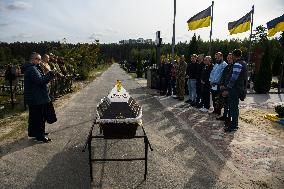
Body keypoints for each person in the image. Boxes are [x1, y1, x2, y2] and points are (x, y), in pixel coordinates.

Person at [22, 52, 55, 142]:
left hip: (35, 97)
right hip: (37, 98)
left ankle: (34, 133)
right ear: (34, 59)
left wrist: (46, 75)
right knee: (39, 118)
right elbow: (40, 81)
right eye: (39, 59)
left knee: (34, 117)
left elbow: (39, 79)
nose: (40, 61)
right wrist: (50, 74)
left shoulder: (32, 68)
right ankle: (40, 136)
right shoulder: (32, 69)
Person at [222, 49, 247, 132]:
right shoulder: (242, 63)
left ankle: (233, 125)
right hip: (236, 89)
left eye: (232, 55)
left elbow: (234, 78)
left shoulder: (238, 64)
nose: (231, 56)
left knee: (233, 108)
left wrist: (227, 89)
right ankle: (233, 124)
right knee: (234, 108)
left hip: (234, 90)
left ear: (234, 55)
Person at [216, 53, 234, 121]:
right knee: (225, 104)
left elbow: (232, 79)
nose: (229, 59)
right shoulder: (227, 67)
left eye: (230, 58)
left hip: (229, 89)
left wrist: (227, 89)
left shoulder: (233, 67)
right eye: (228, 58)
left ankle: (229, 118)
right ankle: (224, 116)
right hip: (223, 88)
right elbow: (223, 76)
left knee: (229, 104)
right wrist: (221, 85)